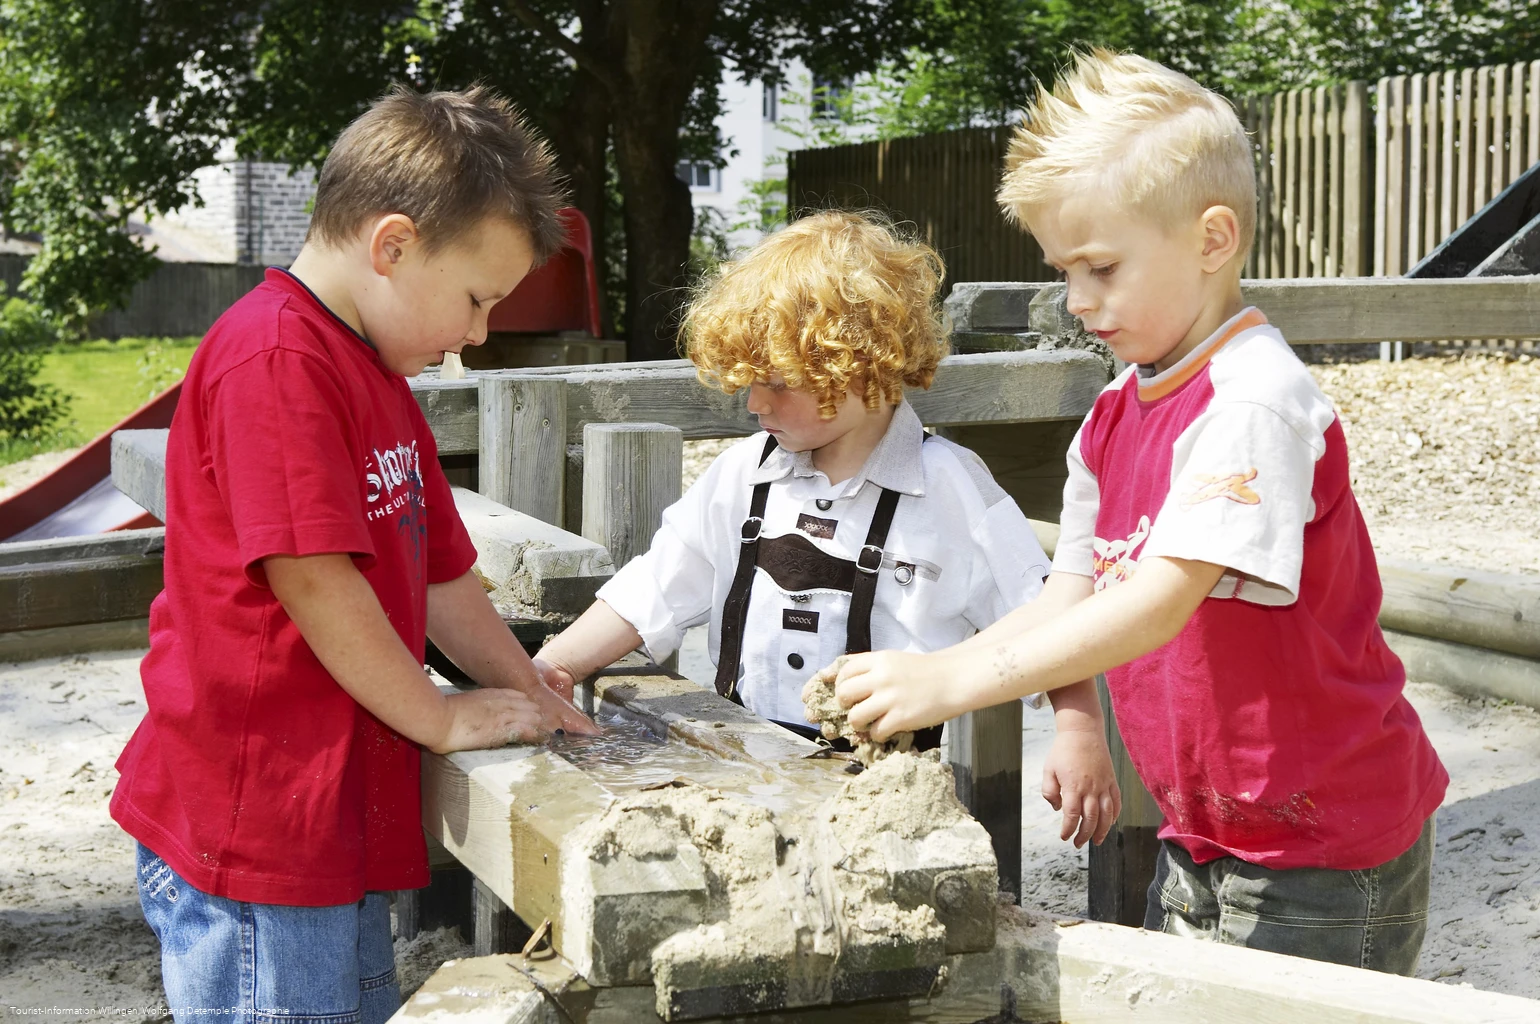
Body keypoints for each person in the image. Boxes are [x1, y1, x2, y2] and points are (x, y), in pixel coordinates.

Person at [818, 50, 1449, 975]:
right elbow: (1070, 588)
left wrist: (957, 684)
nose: (1077, 302)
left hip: (1320, 845)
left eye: (1101, 268)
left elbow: (1158, 600)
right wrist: (944, 668)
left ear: (1212, 238)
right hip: (1205, 827)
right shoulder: (1119, 409)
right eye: (1063, 270)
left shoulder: (1252, 402)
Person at [110, 86, 595, 1024]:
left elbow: (442, 576)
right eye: (474, 300)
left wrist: (526, 687)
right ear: (394, 246)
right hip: (258, 832)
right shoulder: (273, 358)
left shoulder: (376, 374)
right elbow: (315, 579)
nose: (478, 335)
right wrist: (439, 717)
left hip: (332, 825)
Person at [534, 210, 1120, 847]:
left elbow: (1046, 618)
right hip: (741, 777)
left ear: (859, 365)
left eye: (778, 382)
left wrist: (1079, 729)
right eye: (749, 382)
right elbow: (654, 585)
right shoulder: (741, 478)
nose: (756, 403)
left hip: (885, 802)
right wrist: (557, 663)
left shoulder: (950, 488)